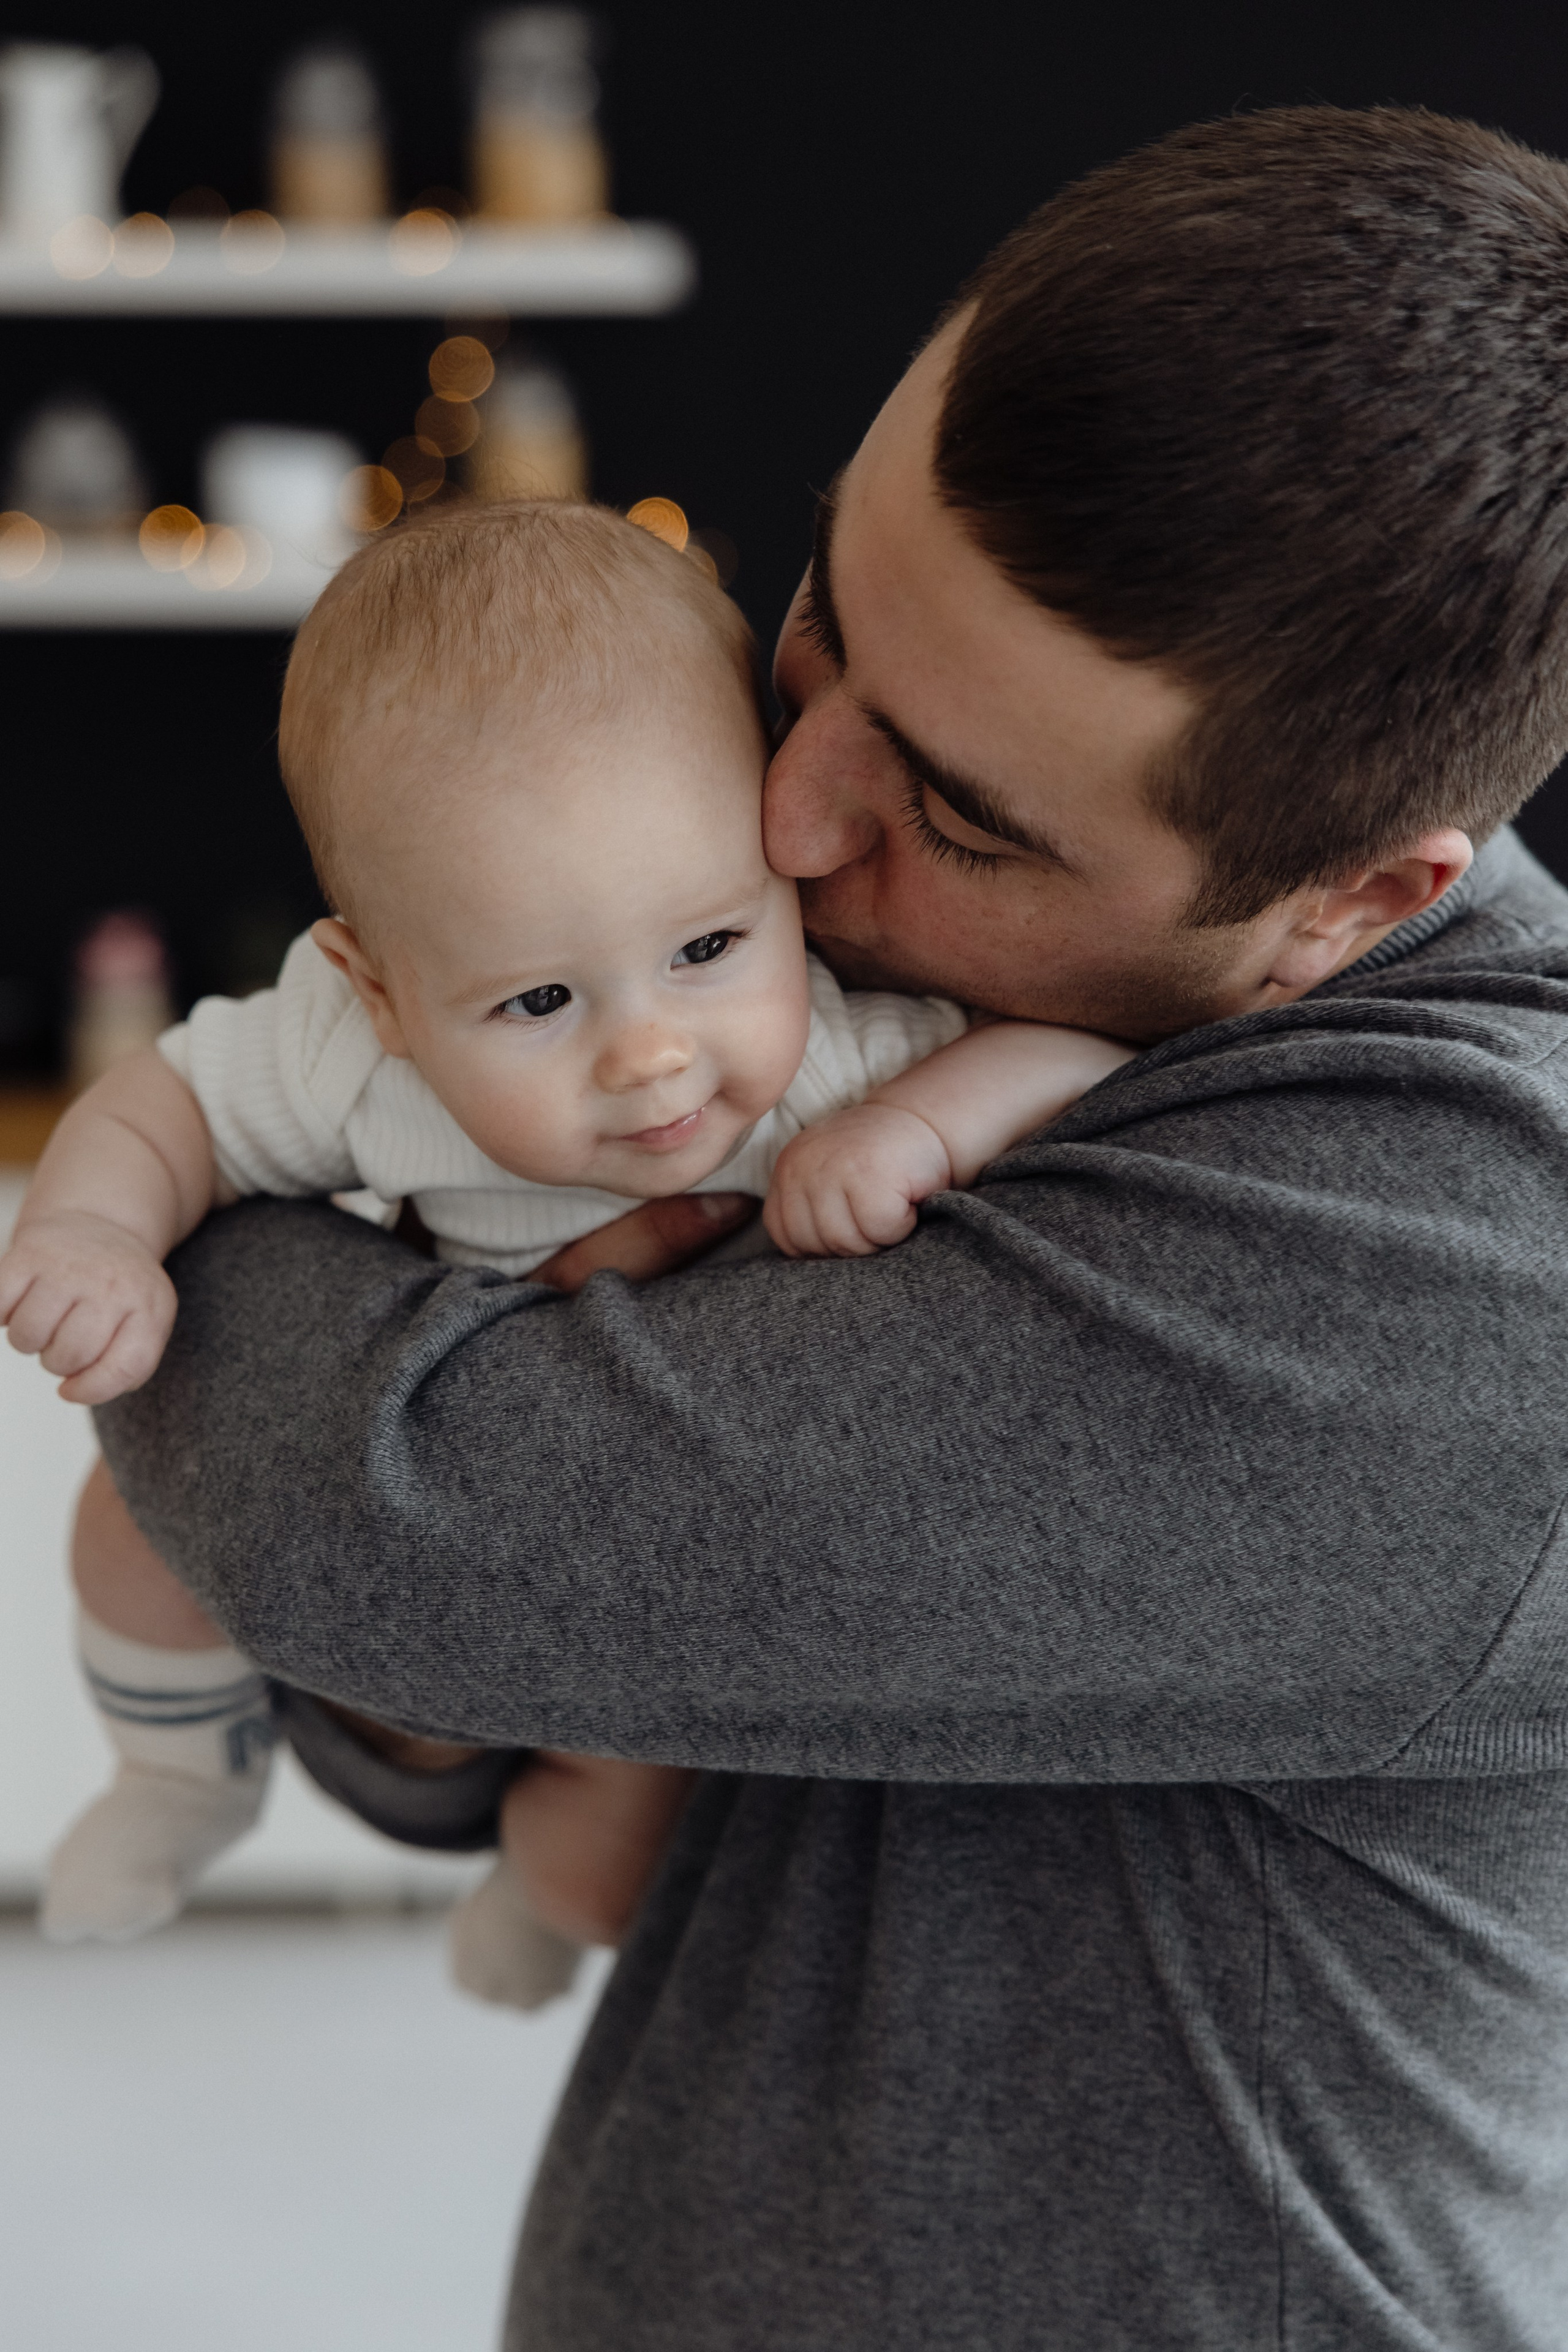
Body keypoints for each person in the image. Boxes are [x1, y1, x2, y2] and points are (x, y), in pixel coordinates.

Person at [77, 103, 1568, 2348]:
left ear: (1349, 902)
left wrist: (254, 1168)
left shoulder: (1478, 1257)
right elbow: (472, 1697)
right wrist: (454, 1663)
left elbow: (391, 1524)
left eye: (955, 813)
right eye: (819, 615)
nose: (776, 818)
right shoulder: (921, 991)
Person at [0, 498, 1129, 2000]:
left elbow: (1076, 1058)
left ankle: (532, 1898)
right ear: (380, 989)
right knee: (127, 1515)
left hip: (658, 1562)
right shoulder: (353, 1057)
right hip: (407, 1482)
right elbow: (165, 1108)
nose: (651, 1056)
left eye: (707, 948)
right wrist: (94, 1231)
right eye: (539, 1002)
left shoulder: (834, 1059)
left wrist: (916, 1129)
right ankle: (177, 1776)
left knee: (605, 1873)